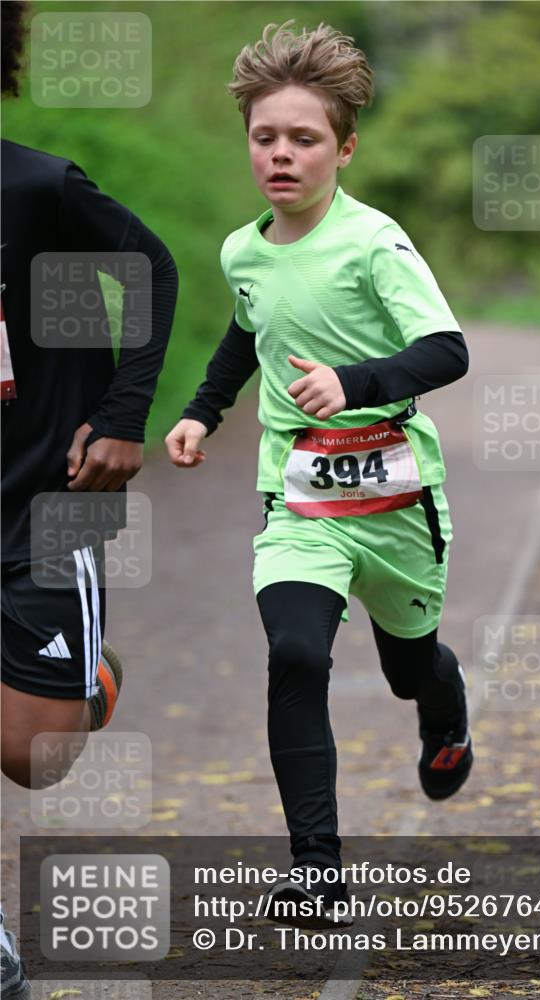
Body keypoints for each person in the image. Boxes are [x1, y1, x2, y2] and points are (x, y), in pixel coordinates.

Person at [166, 21, 471, 929]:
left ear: (343, 147)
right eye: (266, 137)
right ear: (248, 144)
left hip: (395, 499)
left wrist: (358, 384)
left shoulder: (374, 242)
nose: (282, 154)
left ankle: (444, 709)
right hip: (299, 499)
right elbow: (248, 328)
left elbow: (447, 350)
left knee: (407, 667)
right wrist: (200, 410)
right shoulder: (241, 249)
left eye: (303, 138)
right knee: (295, 653)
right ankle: (315, 869)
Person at [1, 3, 178, 993]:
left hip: (49, 497)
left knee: (35, 759)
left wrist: (121, 415)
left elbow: (146, 265)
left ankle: (87, 681)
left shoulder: (34, 187)